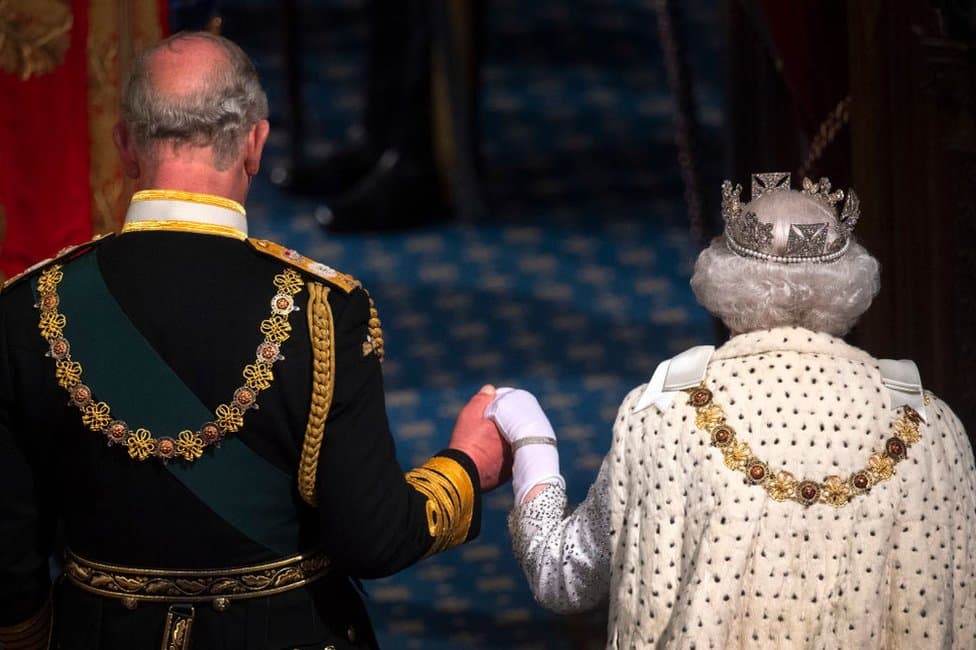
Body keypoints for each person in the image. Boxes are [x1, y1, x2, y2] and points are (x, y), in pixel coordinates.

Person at [0, 32, 507, 650]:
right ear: (256, 143)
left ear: (126, 147)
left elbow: (10, 562)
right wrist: (466, 467)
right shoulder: (323, 311)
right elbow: (373, 539)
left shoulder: (27, 307)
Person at [490, 172, 976, 648]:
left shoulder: (662, 416)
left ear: (722, 278)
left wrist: (531, 437)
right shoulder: (932, 427)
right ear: (851, 281)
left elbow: (562, 574)